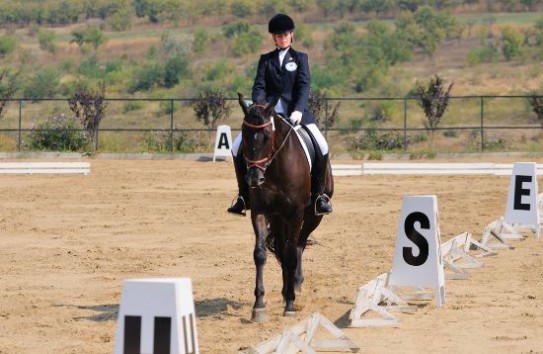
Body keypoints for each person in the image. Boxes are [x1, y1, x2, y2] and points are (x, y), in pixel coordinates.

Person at [228, 13, 333, 216]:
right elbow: (259, 86)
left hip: (296, 115)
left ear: (291, 35)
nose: (282, 38)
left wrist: (298, 111)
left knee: (322, 145)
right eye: (278, 35)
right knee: (235, 147)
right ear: (273, 38)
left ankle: (319, 196)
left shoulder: (300, 58)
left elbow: (304, 86)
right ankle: (243, 196)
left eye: (285, 34)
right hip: (268, 116)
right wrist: (261, 108)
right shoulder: (265, 60)